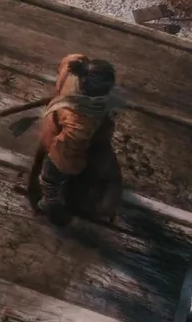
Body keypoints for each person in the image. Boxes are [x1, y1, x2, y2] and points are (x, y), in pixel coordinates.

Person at [28, 54, 123, 226]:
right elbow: (63, 158)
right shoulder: (79, 122)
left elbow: (70, 60)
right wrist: (75, 164)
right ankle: (50, 199)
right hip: (62, 139)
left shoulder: (74, 72)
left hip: (64, 126)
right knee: (53, 173)